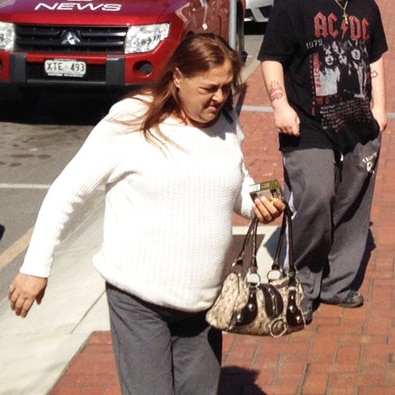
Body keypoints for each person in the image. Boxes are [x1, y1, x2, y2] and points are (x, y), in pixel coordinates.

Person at [8, 33, 285, 394]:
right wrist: (35, 267)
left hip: (204, 304)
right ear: (177, 78)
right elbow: (68, 191)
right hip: (139, 300)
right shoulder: (132, 120)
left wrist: (257, 204)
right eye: (209, 88)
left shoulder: (226, 121)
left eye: (226, 87)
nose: (219, 97)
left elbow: (234, 187)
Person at [258, 0, 387, 324]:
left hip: (359, 124)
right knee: (316, 196)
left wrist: (379, 109)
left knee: (352, 203)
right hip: (306, 124)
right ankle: (302, 285)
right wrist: (279, 106)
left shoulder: (366, 7)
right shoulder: (293, 5)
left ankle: (336, 283)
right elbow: (272, 57)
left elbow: (375, 60)